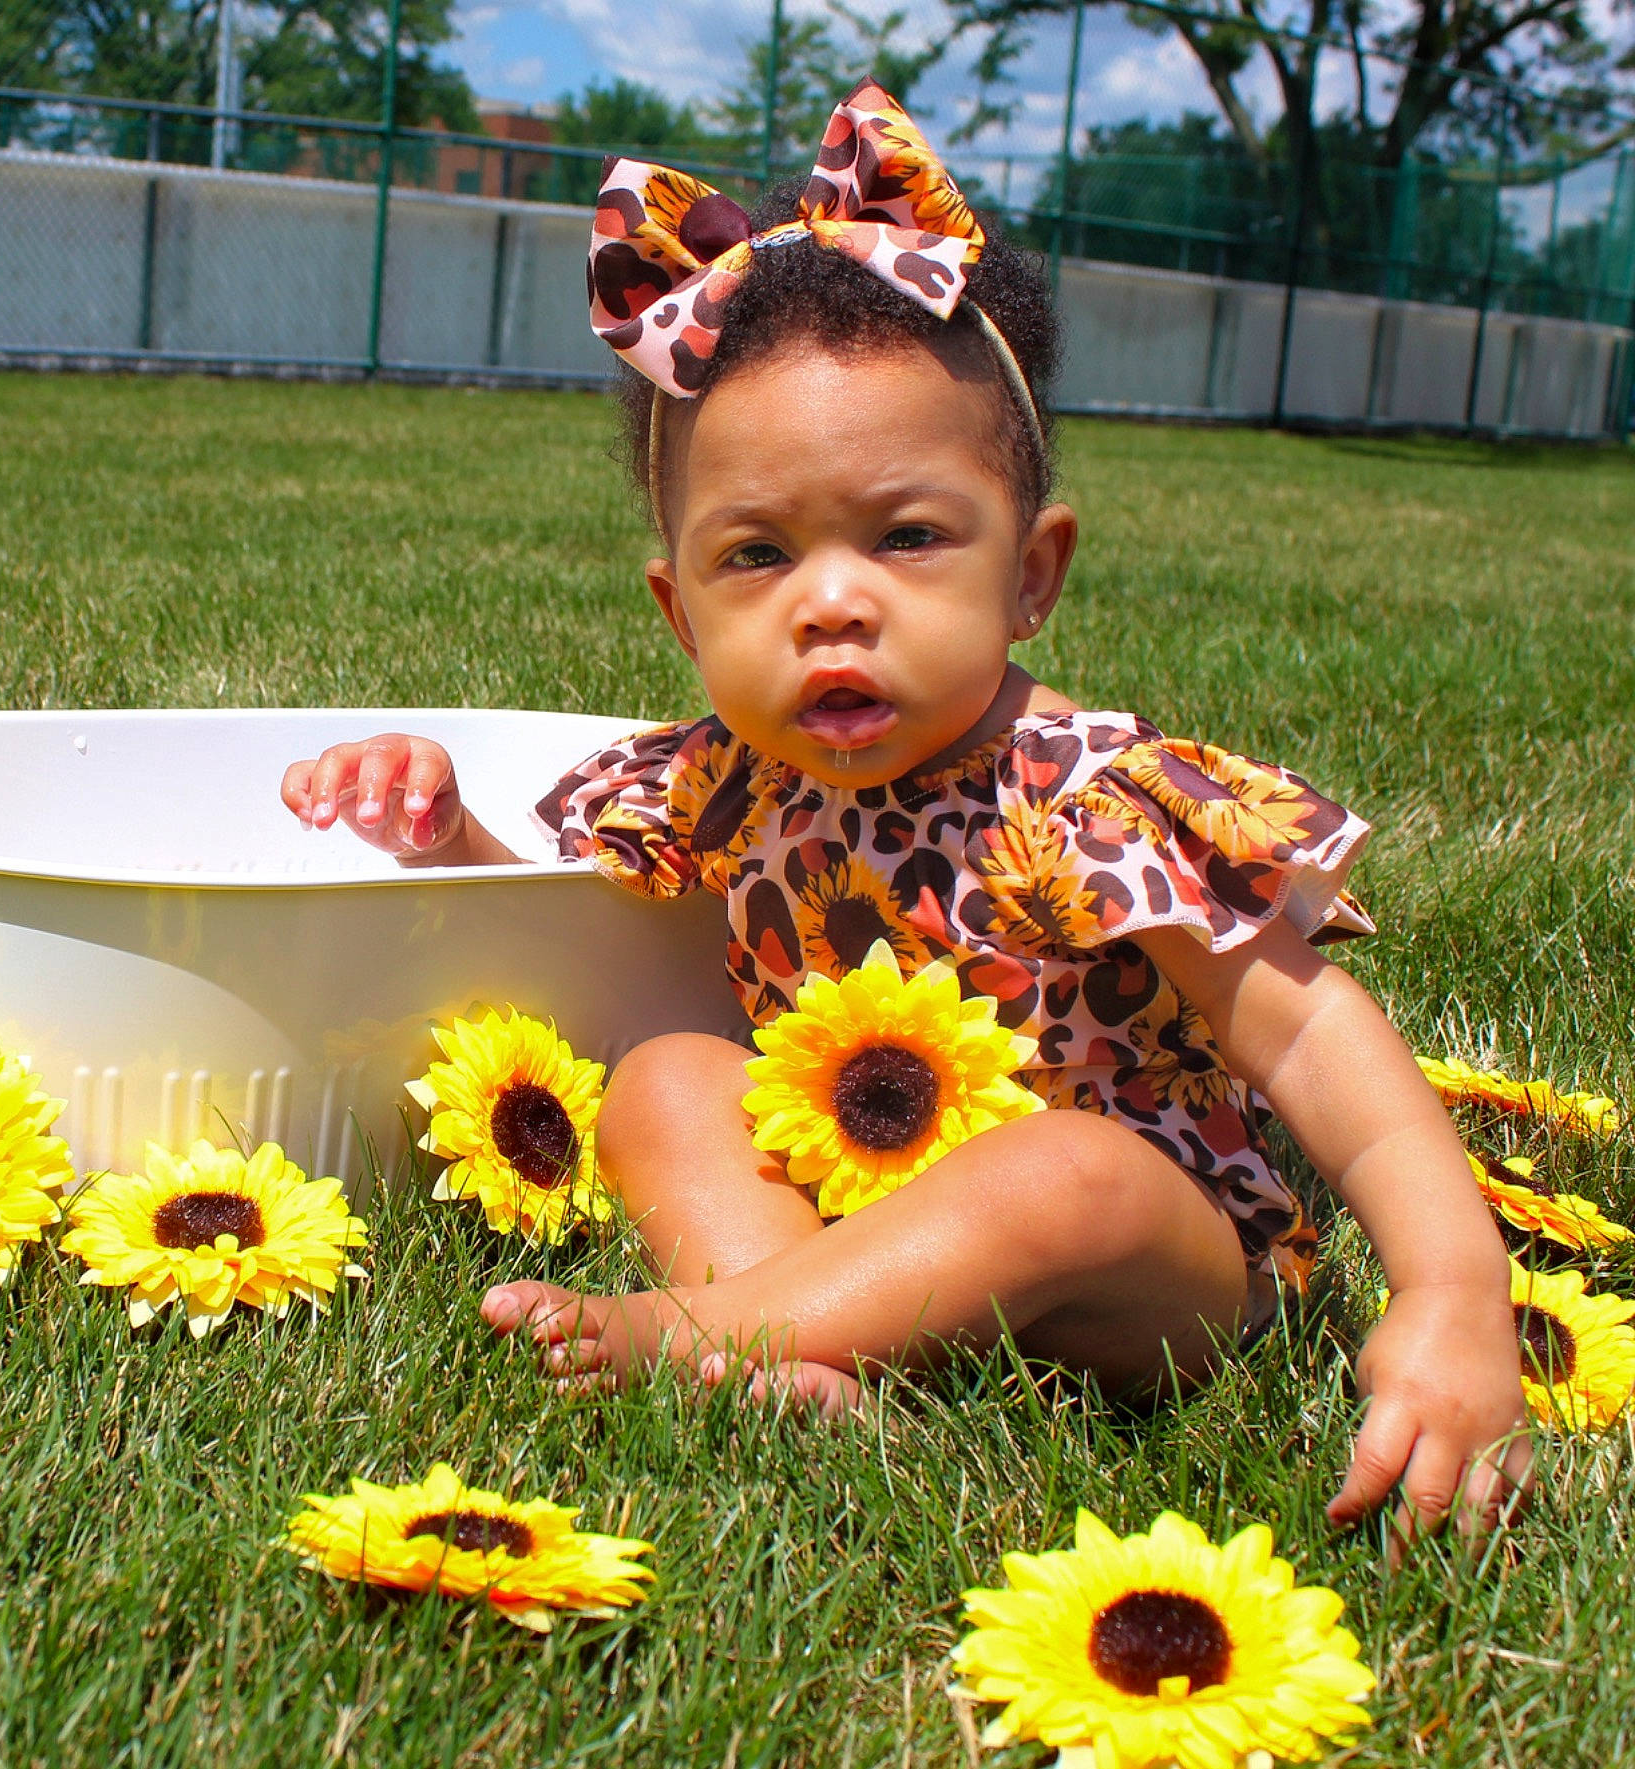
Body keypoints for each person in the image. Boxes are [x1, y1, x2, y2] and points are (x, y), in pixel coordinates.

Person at [280, 80, 1528, 1535]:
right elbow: (568, 946)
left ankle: (720, 1327)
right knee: (668, 1074)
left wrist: (1452, 1291)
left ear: (1033, 572)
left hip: (1145, 1267)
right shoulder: (724, 779)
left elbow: (1314, 1035)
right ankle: (803, 1355)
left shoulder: (1081, 802)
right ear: (681, 614)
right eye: (758, 557)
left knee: (1063, 1173)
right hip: (857, 1207)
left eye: (909, 536)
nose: (831, 605)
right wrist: (447, 838)